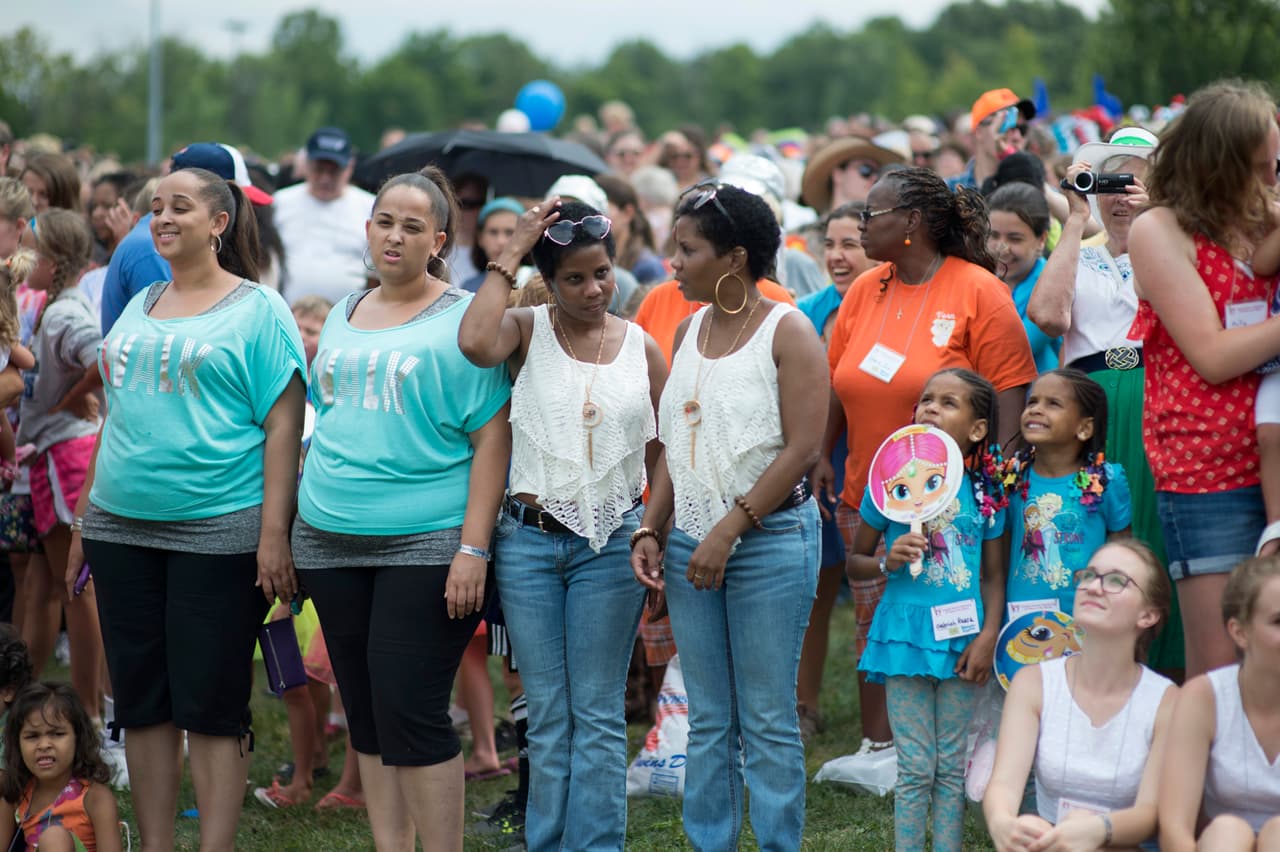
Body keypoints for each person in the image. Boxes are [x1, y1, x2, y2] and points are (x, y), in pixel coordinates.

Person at [71, 165, 306, 851]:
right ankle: (156, 844)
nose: (162, 219)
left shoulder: (260, 309)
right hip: (120, 526)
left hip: (218, 528)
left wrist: (272, 535)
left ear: (220, 223)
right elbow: (116, 417)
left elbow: (284, 427)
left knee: (210, 703)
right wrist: (87, 519)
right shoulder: (141, 301)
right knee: (142, 702)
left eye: (180, 207)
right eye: (155, 209)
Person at [293, 168, 511, 851]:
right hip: (329, 539)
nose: (395, 235)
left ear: (438, 241)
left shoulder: (464, 318)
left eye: (413, 226)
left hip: (427, 540)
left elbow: (492, 440)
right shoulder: (340, 312)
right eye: (385, 221)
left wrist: (473, 549)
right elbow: (326, 416)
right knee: (365, 714)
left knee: (410, 710)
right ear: (368, 229)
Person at [459, 196, 666, 851]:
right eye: (574, 278)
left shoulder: (642, 346)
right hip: (527, 542)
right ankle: (546, 840)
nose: (593, 289)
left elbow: (665, 456)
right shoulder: (525, 329)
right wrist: (511, 251)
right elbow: (472, 341)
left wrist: (650, 527)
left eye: (602, 272)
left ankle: (598, 843)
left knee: (599, 710)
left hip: (610, 545)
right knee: (547, 713)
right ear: (551, 281)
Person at [813, 166, 1037, 758]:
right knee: (878, 619)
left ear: (911, 222)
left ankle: (953, 748)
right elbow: (840, 380)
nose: (861, 224)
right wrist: (823, 451)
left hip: (956, 505)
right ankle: (882, 746)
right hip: (871, 491)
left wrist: (998, 487)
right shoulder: (864, 289)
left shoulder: (977, 290)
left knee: (946, 622)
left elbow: (1011, 396)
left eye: (871, 214)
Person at [630, 183, 827, 850]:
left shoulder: (788, 330)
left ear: (735, 257)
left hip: (770, 543)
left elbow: (803, 446)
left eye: (687, 250)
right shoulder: (688, 330)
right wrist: (653, 527)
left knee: (767, 717)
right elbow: (675, 445)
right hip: (691, 542)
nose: (672, 263)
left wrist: (728, 530)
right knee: (710, 716)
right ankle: (710, 841)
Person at [1127, 80, 1280, 678]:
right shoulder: (1158, 230)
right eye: (1261, 167)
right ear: (1219, 164)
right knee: (1222, 666)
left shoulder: (1262, 211)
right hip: (1206, 470)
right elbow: (1212, 355)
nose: (1272, 177)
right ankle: (1209, 774)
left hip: (1274, 450)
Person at [1024, 128, 1184, 670]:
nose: (1122, 192)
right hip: (1088, 405)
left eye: (1137, 178)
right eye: (1112, 179)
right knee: (1087, 531)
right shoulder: (1080, 250)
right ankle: (1085, 660)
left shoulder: (1178, 243)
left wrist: (1151, 222)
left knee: (1150, 528)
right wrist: (1072, 219)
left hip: (1156, 394)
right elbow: (1047, 316)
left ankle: (1160, 664)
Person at [848, 368, 1008, 852]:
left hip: (963, 640)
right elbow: (855, 562)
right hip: (904, 640)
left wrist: (988, 636)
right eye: (926, 400)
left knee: (950, 763)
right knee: (916, 765)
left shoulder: (985, 494)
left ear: (977, 429)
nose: (931, 408)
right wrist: (883, 560)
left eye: (948, 402)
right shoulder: (891, 485)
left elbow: (993, 575)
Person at [985, 539, 1176, 852]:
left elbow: (1150, 814)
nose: (1094, 587)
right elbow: (1004, 782)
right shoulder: (1033, 682)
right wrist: (1002, 822)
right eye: (1088, 576)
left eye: (1116, 581)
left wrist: (1098, 829)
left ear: (1148, 615)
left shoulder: (1167, 701)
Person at [18, 210, 106, 721]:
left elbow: (106, 357)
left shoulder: (66, 314)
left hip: (67, 458)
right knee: (57, 584)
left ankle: (92, 714)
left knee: (77, 588)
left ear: (53, 263)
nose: (22, 258)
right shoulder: (56, 307)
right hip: (55, 455)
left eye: (31, 248)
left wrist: (70, 398)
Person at [794, 201, 873, 738]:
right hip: (819, 456)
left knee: (875, 587)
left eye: (851, 244)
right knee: (814, 588)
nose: (838, 256)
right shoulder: (807, 311)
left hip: (872, 454)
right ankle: (803, 703)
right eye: (830, 244)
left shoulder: (890, 301)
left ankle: (886, 716)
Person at [1159, 555, 1280, 851]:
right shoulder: (1204, 697)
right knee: (1228, 830)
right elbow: (1175, 828)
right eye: (1279, 621)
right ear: (1239, 632)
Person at [1004, 369, 1132, 618]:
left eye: (1053, 403)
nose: (1036, 409)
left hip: (1087, 623)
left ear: (1084, 427)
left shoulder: (1108, 481)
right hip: (1019, 624)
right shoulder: (1012, 480)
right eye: (1032, 401)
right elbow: (1000, 558)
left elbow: (1123, 553)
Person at [0, 682, 120, 852]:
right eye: (32, 736)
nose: (44, 745)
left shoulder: (95, 798)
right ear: (17, 745)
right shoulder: (15, 794)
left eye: (57, 734)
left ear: (78, 738)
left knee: (54, 837)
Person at [274, 127, 376, 303]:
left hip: (349, 318)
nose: (325, 178)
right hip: (290, 315)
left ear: (349, 167)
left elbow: (375, 270)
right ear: (306, 164)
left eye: (334, 171)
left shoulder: (370, 207)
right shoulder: (280, 202)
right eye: (319, 169)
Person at [986, 183, 1059, 372]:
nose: (1002, 248)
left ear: (1041, 239)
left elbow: (1015, 351)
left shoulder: (1053, 285)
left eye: (1014, 238)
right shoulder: (980, 280)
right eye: (993, 235)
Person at [947, 88, 1036, 191]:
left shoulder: (1031, 189)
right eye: (1007, 126)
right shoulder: (949, 191)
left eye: (1023, 129)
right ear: (979, 132)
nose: (1017, 137)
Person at [800, 136, 904, 214]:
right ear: (838, 175)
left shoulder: (884, 235)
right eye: (866, 170)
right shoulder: (803, 238)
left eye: (879, 173)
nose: (875, 178)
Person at [462, 198, 524, 293]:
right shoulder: (468, 288)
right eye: (493, 232)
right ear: (480, 238)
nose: (501, 241)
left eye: (509, 232)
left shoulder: (538, 282)